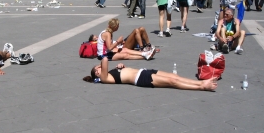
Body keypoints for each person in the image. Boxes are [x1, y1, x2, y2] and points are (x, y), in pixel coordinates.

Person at [83, 56, 218, 91]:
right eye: (97, 69)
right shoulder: (104, 78)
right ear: (97, 74)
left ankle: (200, 82)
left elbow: (122, 71)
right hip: (141, 78)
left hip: (144, 71)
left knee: (174, 76)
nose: (99, 68)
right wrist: (101, 64)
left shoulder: (109, 74)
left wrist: (121, 66)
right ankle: (202, 86)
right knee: (173, 82)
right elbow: (105, 59)